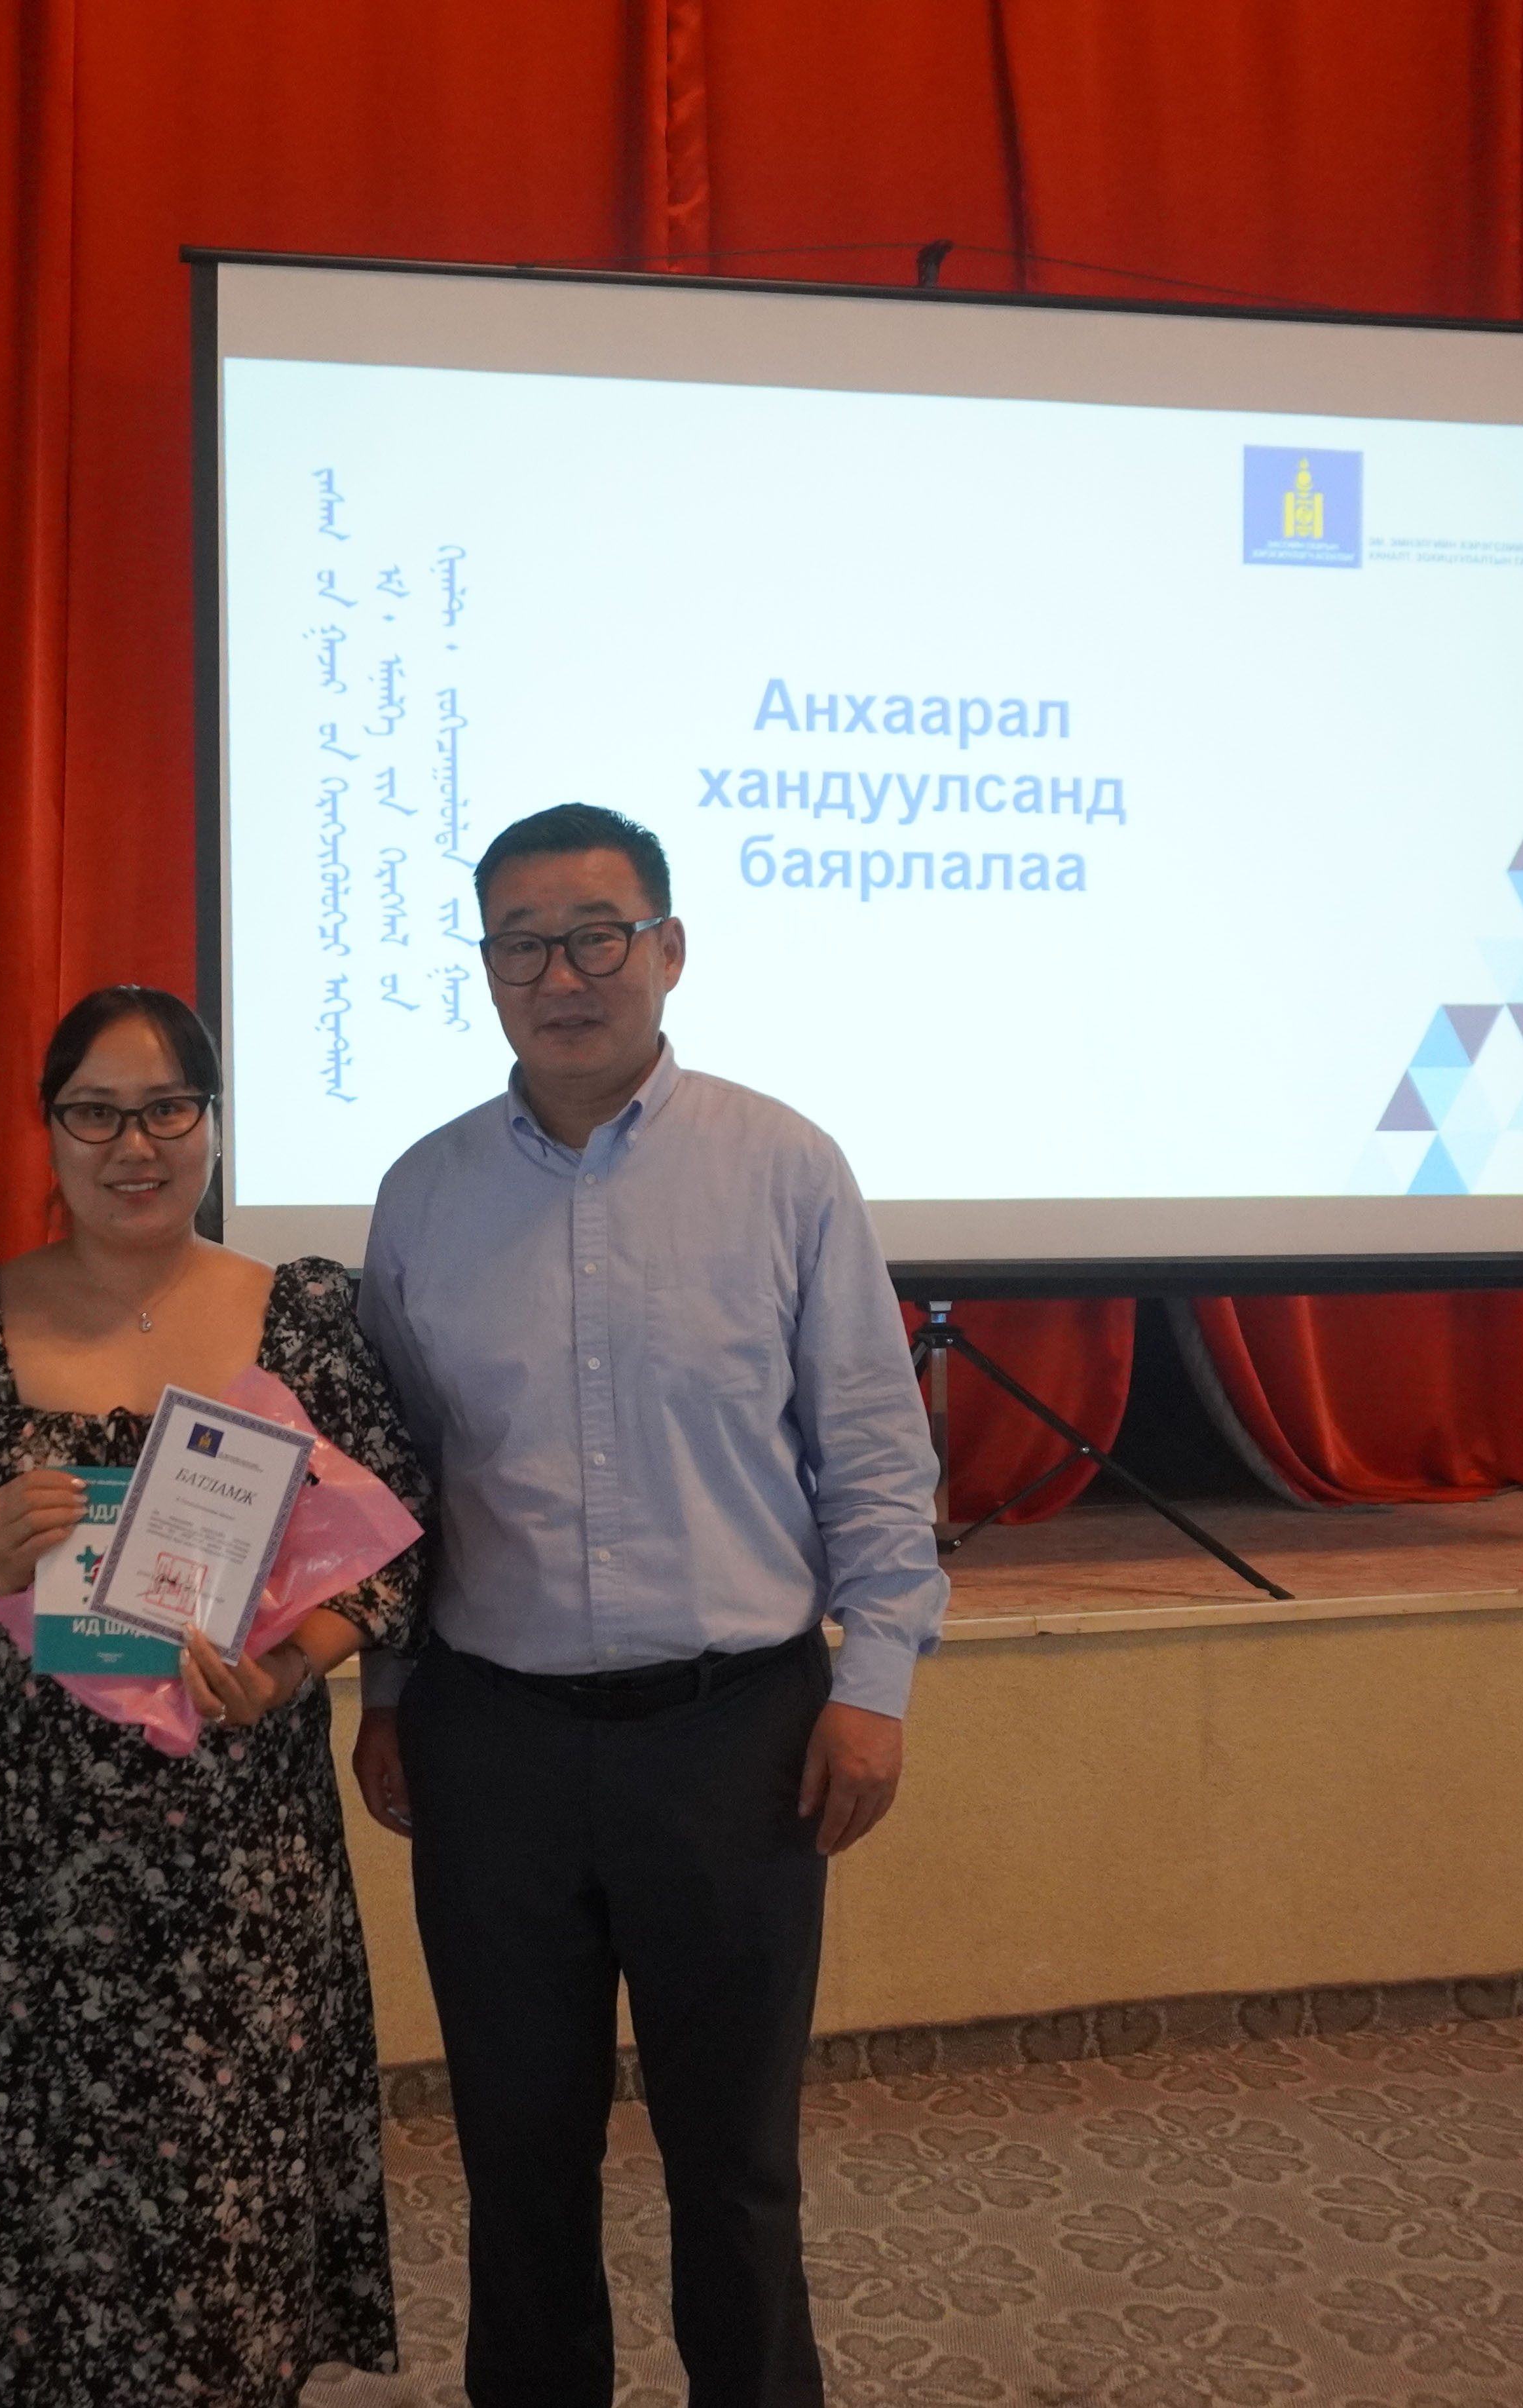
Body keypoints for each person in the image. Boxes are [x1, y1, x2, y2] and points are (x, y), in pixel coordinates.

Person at [348, 802, 946, 2408]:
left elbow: (872, 1452)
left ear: (668, 949)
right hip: (493, 1742)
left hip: (732, 1735)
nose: (561, 974)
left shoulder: (783, 1166)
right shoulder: (421, 1194)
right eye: (521, 945)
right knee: (514, 2156)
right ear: (486, 970)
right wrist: (387, 1695)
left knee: (735, 2165)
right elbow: (393, 1483)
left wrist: (874, 1682)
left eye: (595, 935)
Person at [0, 984, 430, 2408]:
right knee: (32, 2176)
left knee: (224, 2184)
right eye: (94, 1113)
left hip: (239, 1841)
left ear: (213, 1123)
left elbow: (396, 1551)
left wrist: (291, 1665)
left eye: (167, 1108)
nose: (134, 1144)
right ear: (50, 1131)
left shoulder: (302, 1313)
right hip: (27, 1849)